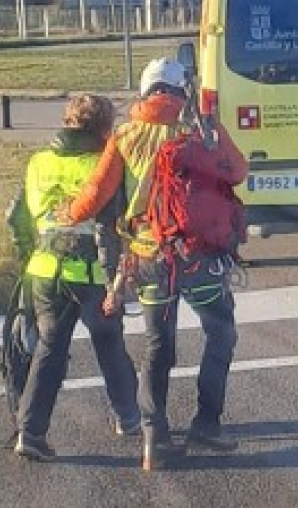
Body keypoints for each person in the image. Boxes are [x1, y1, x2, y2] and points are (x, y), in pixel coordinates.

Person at [65, 57, 248, 469]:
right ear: (183, 90)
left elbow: (95, 195)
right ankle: (207, 423)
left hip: (148, 258)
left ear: (145, 92)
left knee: (157, 346)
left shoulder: (126, 134)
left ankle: (155, 439)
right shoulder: (200, 128)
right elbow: (238, 172)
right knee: (221, 333)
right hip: (200, 258)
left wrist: (68, 213)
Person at [12, 94, 141, 462]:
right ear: (104, 127)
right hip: (93, 273)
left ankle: (30, 433)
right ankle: (128, 417)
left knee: (49, 348)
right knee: (109, 343)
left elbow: (16, 215)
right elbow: (120, 219)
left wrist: (29, 254)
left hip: (45, 270)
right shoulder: (106, 164)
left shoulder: (39, 162)